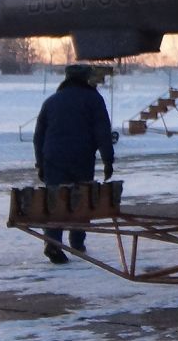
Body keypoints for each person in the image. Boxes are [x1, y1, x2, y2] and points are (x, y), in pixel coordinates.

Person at [32, 63, 116, 263]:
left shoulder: (51, 101)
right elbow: (102, 132)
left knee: (55, 199)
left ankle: (52, 243)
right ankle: (77, 242)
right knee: (81, 198)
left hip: (53, 158)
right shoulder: (94, 100)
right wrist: (108, 160)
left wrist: (40, 163)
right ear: (86, 79)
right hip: (81, 158)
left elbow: (38, 136)